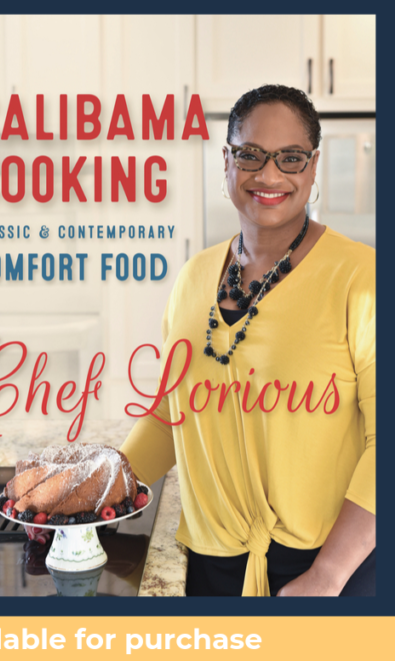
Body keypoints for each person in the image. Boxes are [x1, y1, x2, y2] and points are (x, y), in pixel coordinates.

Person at [120, 84, 375, 597]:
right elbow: (172, 415)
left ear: (313, 166)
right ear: (227, 161)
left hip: (331, 569)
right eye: (251, 155)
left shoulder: (361, 278)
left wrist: (326, 576)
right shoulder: (192, 278)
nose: (269, 175)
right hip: (212, 565)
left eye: (291, 158)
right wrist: (99, 491)